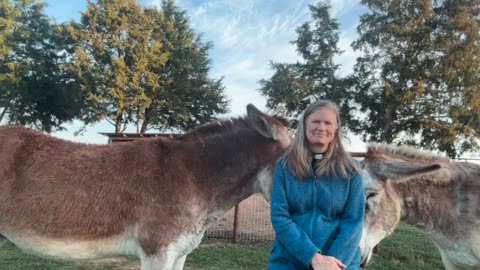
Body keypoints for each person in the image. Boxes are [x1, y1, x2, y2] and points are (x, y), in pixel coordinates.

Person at [268, 100, 365, 270]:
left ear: (336, 129)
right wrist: (312, 257)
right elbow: (280, 217)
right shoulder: (284, 166)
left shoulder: (352, 170)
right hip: (289, 258)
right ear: (305, 125)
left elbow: (354, 221)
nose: (321, 127)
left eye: (328, 123)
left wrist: (332, 263)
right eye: (315, 121)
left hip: (340, 260)